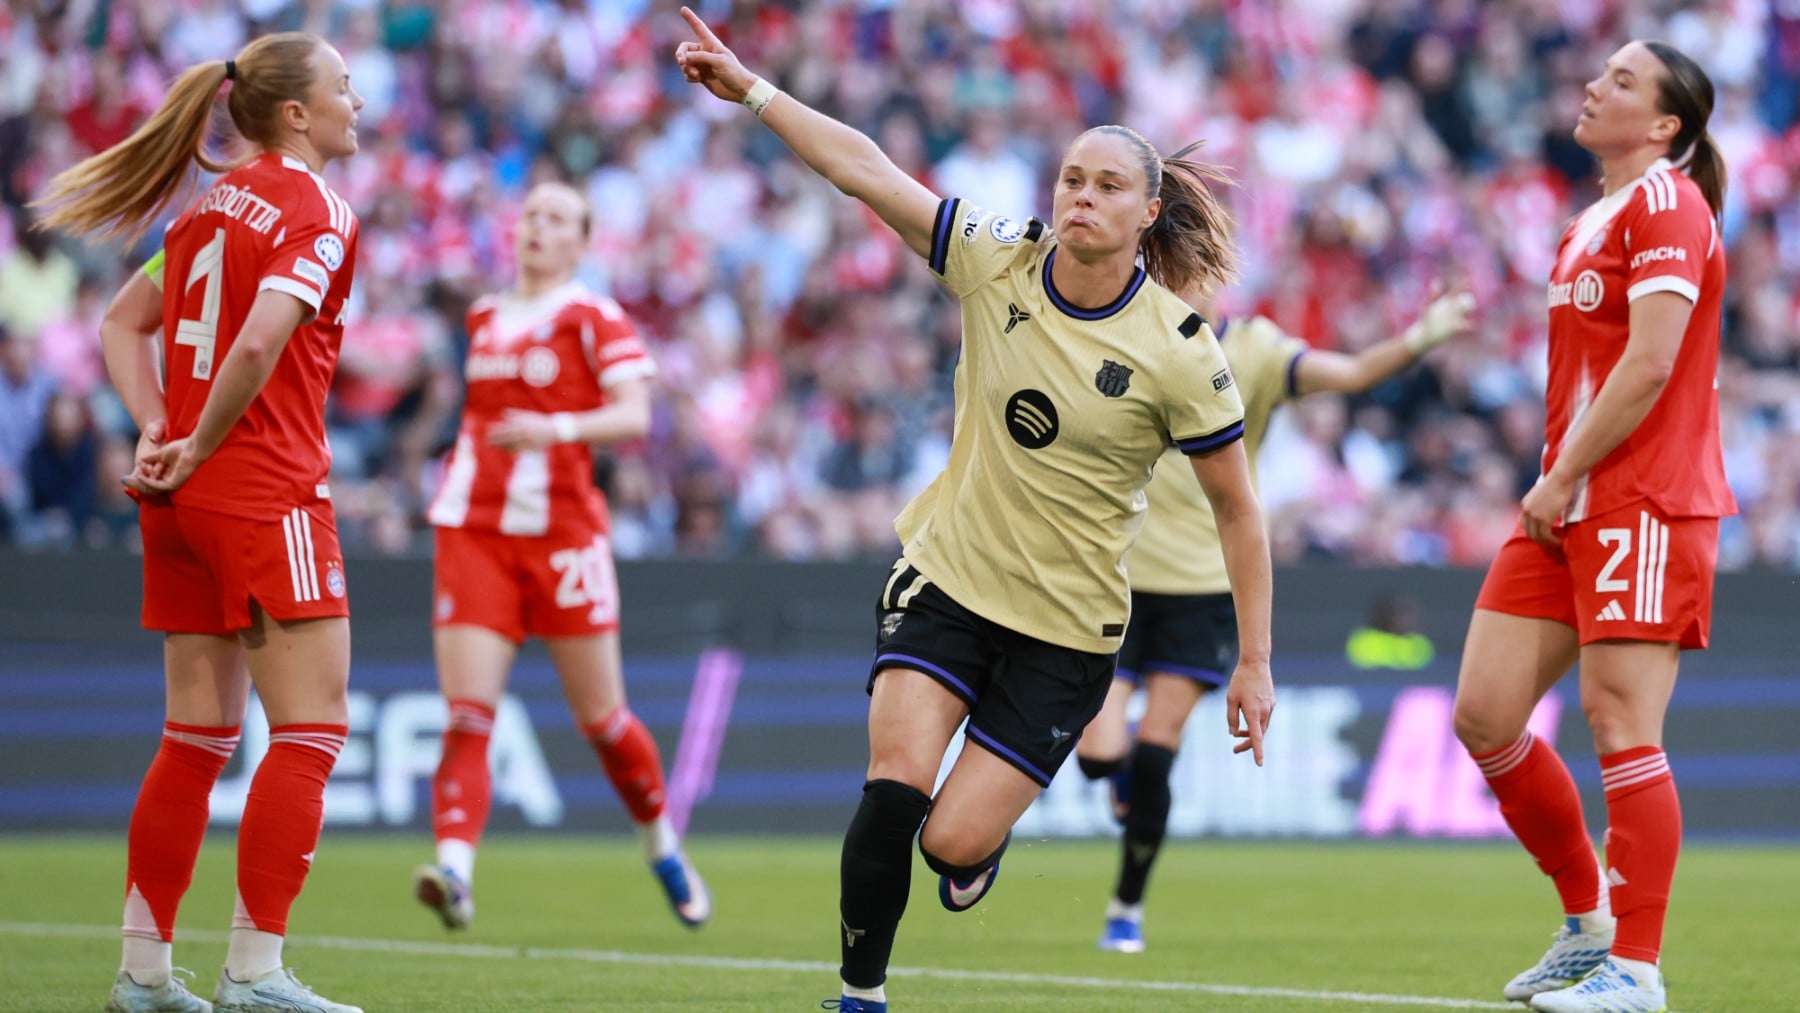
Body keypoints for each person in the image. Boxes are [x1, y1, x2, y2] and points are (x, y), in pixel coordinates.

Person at [675, 10, 1276, 1012]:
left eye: (1107, 185)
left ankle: (973, 849)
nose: (1081, 196)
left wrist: (1253, 660)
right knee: (893, 786)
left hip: (1067, 628)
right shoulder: (997, 257)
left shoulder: (1180, 349)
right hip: (948, 579)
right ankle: (860, 995)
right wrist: (755, 92)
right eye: (1071, 178)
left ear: (1148, 210)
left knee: (950, 840)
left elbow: (1239, 512)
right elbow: (867, 170)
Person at [35, 31, 366, 1013]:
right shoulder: (316, 208)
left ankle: (142, 975)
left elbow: (119, 325)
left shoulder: (203, 212)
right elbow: (260, 341)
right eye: (344, 87)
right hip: (266, 492)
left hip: (179, 506)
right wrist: (196, 439)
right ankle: (255, 972)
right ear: (296, 113)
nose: (357, 102)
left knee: (194, 737)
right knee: (310, 730)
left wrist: (159, 429)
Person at [1449, 40, 1731, 1013]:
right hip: (1565, 501)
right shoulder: (1586, 222)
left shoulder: (1668, 204)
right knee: (1485, 715)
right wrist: (1559, 481)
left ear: (1664, 125)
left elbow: (1651, 363)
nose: (1593, 86)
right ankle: (1588, 922)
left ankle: (1637, 970)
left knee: (1619, 720)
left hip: (1642, 498)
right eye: (1600, 73)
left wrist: (1563, 472)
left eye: (1621, 81)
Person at [1078, 283, 1474, 953]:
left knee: (1157, 752)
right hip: (1120, 576)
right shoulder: (1129, 331)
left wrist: (1421, 338)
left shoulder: (1253, 350)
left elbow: (1351, 373)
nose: (1188, 279)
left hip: (1203, 585)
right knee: (1096, 754)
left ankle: (1127, 907)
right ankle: (1118, 777)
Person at [413, 180, 710, 932]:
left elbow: (634, 414)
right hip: (475, 529)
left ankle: (662, 845)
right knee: (467, 714)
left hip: (564, 535)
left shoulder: (592, 316)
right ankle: (455, 871)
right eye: (530, 216)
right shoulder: (483, 316)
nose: (537, 228)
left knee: (603, 720)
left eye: (556, 219)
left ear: (582, 241)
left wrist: (556, 430)